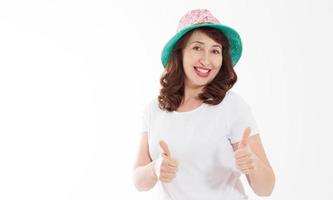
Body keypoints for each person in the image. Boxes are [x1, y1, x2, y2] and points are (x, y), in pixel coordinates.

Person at [133, 9, 275, 200]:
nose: (206, 60)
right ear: (179, 53)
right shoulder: (154, 109)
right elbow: (138, 181)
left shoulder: (231, 106)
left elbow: (266, 189)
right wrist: (155, 168)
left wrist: (253, 164)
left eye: (215, 50)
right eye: (197, 48)